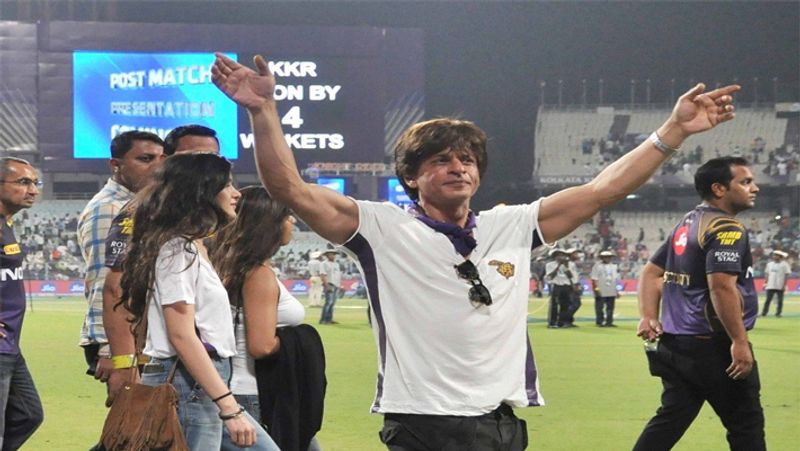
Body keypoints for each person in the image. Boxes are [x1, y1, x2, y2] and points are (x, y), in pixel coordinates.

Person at [212, 52, 739, 449]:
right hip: (423, 420)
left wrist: (672, 132)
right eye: (440, 160)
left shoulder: (512, 225)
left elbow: (603, 190)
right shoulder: (381, 227)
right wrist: (263, 110)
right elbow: (290, 189)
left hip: (501, 420)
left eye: (466, 159)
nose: (457, 167)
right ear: (412, 177)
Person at [119, 153, 277, 450]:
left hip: (200, 381)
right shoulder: (177, 251)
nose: (236, 194)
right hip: (187, 382)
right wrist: (229, 407)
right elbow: (181, 334)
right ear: (202, 193)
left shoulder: (189, 246)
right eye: (226, 185)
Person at [634, 156, 765, 451]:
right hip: (712, 346)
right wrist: (739, 341)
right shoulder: (727, 228)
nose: (754, 188)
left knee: (669, 421)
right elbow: (721, 287)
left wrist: (648, 316)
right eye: (745, 182)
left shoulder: (688, 223)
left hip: (675, 346)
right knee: (746, 426)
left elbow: (651, 272)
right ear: (719, 188)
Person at [101, 125, 220, 403]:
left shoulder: (217, 208)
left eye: (212, 156)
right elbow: (116, 288)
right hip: (171, 356)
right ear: (169, 160)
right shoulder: (145, 211)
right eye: (194, 156)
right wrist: (122, 361)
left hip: (218, 352)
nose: (205, 164)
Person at [210, 186, 324, 451]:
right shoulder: (258, 275)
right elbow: (261, 346)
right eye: (286, 215)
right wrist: (305, 341)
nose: (292, 220)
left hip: (241, 390)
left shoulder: (228, 263)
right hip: (254, 395)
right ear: (268, 223)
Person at [77, 130, 165, 384]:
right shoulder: (111, 209)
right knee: (134, 407)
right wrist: (109, 349)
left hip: (138, 335)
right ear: (116, 165)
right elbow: (103, 279)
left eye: (162, 159)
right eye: (145, 159)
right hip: (122, 342)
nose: (157, 167)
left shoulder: (140, 205)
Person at [0, 157, 44, 450]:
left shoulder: (6, 224)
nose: (33, 190)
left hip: (10, 345)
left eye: (35, 183)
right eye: (24, 182)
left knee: (28, 414)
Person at [545, 248, 578, 328]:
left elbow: (571, 276)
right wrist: (558, 266)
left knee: (565, 305)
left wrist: (566, 267)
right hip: (557, 285)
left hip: (566, 286)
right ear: (555, 257)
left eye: (562, 255)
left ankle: (562, 322)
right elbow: (551, 276)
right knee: (554, 305)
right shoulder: (550, 265)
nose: (561, 257)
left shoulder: (570, 264)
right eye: (558, 255)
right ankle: (552, 322)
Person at [591, 250, 620, 327]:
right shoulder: (597, 266)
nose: (607, 258)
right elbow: (594, 279)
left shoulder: (614, 266)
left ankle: (609, 322)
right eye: (605, 257)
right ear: (602, 258)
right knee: (599, 307)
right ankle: (599, 321)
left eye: (609, 257)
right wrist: (596, 289)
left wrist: (616, 290)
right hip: (601, 289)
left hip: (611, 289)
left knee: (610, 307)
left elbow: (614, 279)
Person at [761, 249, 791, 317]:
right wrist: (765, 282)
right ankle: (764, 313)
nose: (774, 256)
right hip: (770, 285)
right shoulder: (769, 264)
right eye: (774, 255)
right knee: (768, 300)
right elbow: (767, 274)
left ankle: (778, 313)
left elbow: (786, 275)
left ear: (780, 256)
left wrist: (784, 285)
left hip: (780, 285)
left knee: (780, 301)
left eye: (776, 255)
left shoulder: (784, 265)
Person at [319, 250, 342, 325]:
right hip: (329, 283)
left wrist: (340, 285)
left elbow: (337, 275)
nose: (333, 256)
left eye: (334, 254)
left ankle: (329, 319)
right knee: (329, 302)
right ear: (327, 255)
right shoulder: (324, 264)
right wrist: (326, 285)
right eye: (331, 254)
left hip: (336, 284)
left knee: (332, 303)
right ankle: (323, 320)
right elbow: (323, 275)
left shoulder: (336, 264)